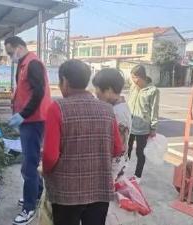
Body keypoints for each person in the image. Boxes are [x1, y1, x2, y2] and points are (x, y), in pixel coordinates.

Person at [43, 60, 123, 225]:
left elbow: (50, 156)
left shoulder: (56, 108)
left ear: (64, 81)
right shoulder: (107, 109)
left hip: (67, 193)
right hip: (99, 188)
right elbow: (117, 149)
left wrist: (45, 171)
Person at [4, 36, 52, 225]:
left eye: (10, 52)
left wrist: (23, 114)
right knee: (30, 161)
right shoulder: (24, 64)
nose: (10, 56)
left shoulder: (33, 64)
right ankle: (36, 193)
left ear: (19, 47)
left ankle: (29, 208)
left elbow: (39, 92)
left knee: (29, 165)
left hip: (34, 120)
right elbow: (25, 89)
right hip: (28, 121)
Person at [93, 68, 132, 178]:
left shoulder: (116, 113)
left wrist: (111, 176)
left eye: (97, 90)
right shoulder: (121, 106)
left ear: (109, 90)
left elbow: (117, 147)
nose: (96, 94)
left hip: (113, 170)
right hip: (119, 166)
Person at [127, 65, 159, 183]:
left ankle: (137, 176)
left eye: (134, 77)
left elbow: (154, 110)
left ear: (140, 77)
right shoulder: (133, 87)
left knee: (140, 152)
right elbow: (129, 103)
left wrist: (153, 127)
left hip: (143, 127)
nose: (133, 80)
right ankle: (122, 171)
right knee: (126, 150)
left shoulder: (153, 91)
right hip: (130, 125)